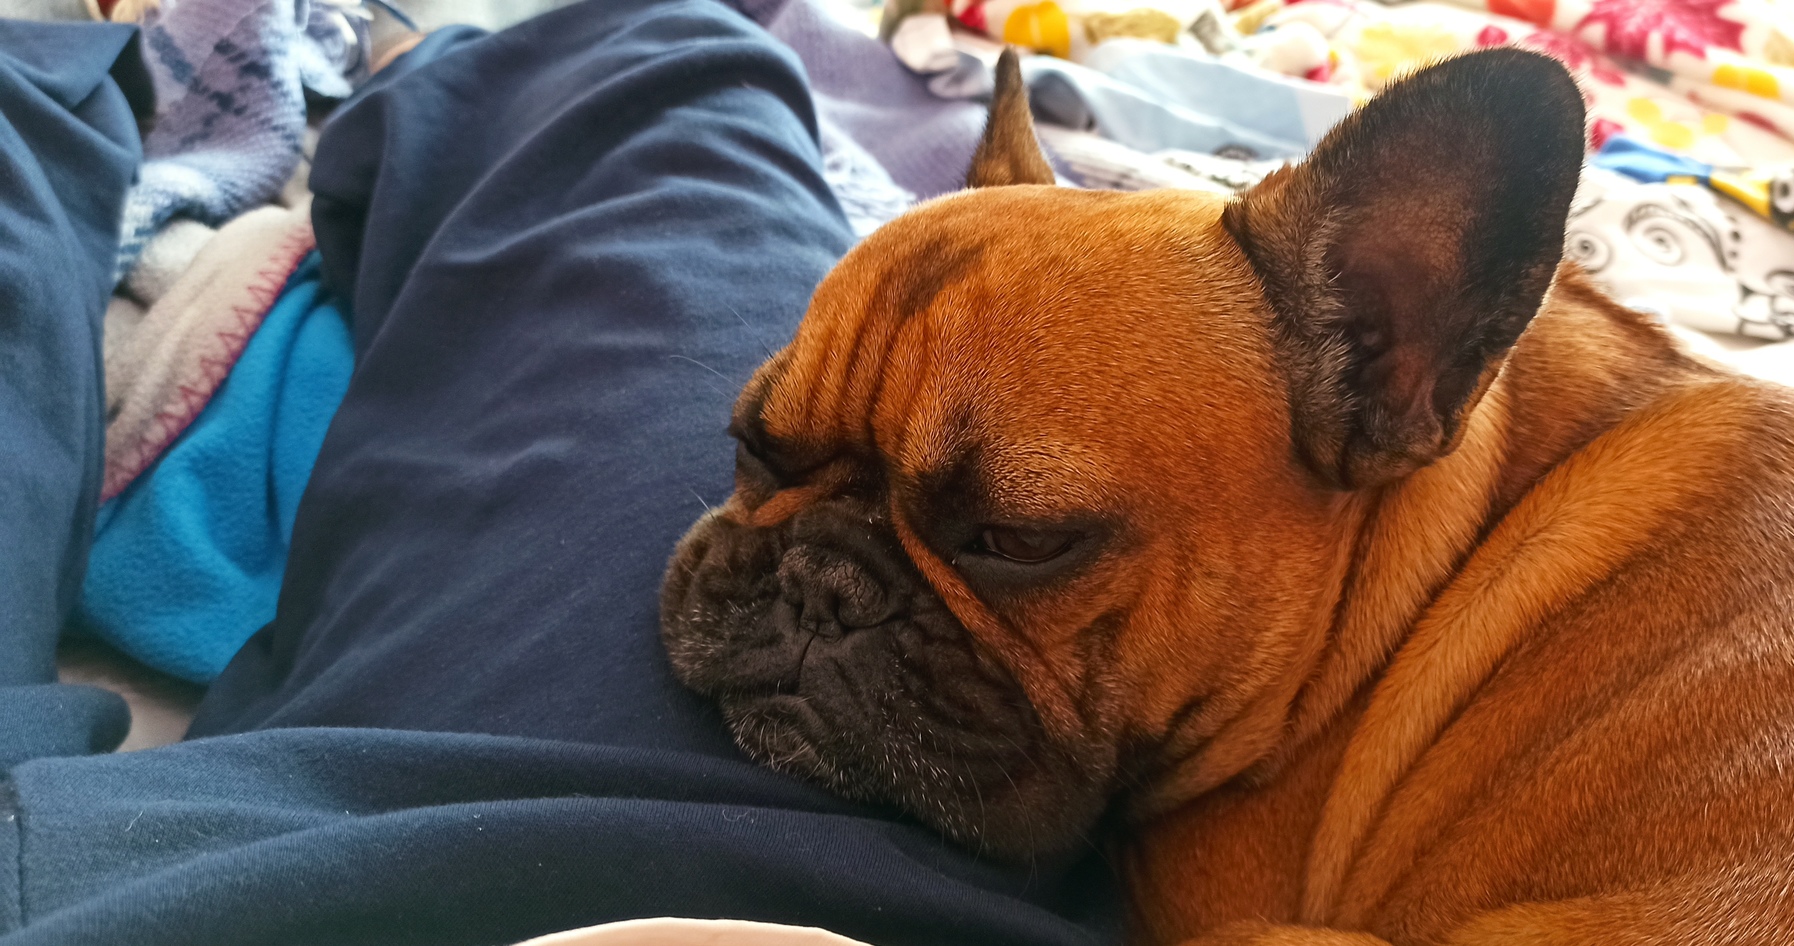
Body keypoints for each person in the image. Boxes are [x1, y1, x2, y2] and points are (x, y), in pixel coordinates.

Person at [0, 2, 1119, 943]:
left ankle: (400, 65)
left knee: (671, 68)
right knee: (681, 77)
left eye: (1017, 538)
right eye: (761, 459)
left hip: (275, 853)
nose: (827, 597)